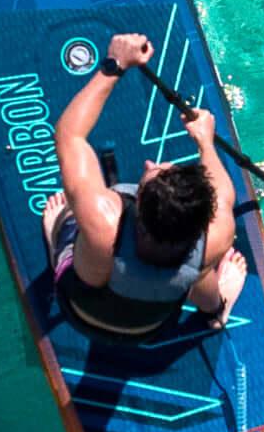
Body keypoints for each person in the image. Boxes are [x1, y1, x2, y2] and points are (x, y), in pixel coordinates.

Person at [43, 32, 247, 342]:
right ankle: (217, 310)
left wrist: (114, 64)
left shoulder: (103, 221)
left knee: (68, 214)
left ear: (137, 201)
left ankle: (57, 243)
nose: (151, 164)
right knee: (198, 269)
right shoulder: (217, 235)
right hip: (150, 327)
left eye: (152, 172)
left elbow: (69, 135)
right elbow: (222, 192)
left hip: (78, 311)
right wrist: (206, 142)